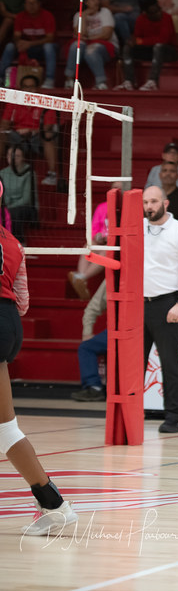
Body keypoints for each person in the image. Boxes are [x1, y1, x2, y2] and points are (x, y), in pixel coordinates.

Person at [0, 180, 81, 535]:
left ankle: (55, 505)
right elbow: (24, 300)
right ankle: (53, 505)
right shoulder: (12, 242)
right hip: (8, 324)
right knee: (5, 430)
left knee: (5, 430)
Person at [142, 185, 178, 434]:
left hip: (168, 303)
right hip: (138, 303)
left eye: (153, 202)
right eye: (145, 202)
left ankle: (174, 417)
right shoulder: (137, 229)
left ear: (165, 203)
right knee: (133, 363)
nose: (149, 207)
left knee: (170, 363)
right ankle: (133, 413)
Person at [0, 74, 58, 186]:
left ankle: (52, 174)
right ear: (21, 89)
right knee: (1, 134)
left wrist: (31, 130)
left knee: (48, 135)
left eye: (31, 87)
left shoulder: (45, 102)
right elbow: (4, 124)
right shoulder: (14, 101)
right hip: (17, 136)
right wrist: (9, 128)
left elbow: (48, 126)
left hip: (37, 136)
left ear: (38, 88)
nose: (29, 90)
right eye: (25, 87)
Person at [116, 0, 178, 91]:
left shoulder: (167, 17)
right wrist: (133, 41)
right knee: (127, 47)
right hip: (150, 51)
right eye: (154, 12)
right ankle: (128, 81)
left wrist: (141, 41)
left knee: (158, 46)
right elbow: (136, 38)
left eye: (158, 10)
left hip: (169, 52)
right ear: (146, 13)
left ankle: (152, 81)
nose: (158, 13)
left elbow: (163, 40)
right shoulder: (141, 19)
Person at [0, 0, 56, 89]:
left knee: (49, 47)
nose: (31, 6)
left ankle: (49, 79)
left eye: (34, 3)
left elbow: (50, 38)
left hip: (41, 48)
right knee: (10, 46)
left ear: (39, 4)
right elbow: (16, 35)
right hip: (25, 48)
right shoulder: (20, 16)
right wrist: (19, 43)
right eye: (28, 3)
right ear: (24, 5)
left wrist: (30, 44)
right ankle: (1, 77)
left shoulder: (47, 16)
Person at [63, 0, 117, 91]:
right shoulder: (78, 15)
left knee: (90, 50)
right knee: (76, 45)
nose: (97, 1)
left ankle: (101, 83)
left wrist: (89, 38)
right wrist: (83, 15)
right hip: (86, 46)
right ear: (86, 2)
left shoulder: (105, 12)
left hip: (106, 46)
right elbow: (80, 34)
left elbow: (106, 35)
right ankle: (69, 80)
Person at [71, 282, 108, 401]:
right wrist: (87, 332)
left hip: (142, 330)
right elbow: (92, 308)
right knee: (86, 346)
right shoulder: (111, 279)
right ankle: (94, 388)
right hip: (116, 331)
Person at [0, 145, 37, 241]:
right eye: (10, 155)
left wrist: (8, 207)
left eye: (17, 156)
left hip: (26, 207)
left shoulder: (29, 171)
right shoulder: (2, 173)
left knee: (14, 213)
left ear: (23, 157)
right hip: (7, 205)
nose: (12, 158)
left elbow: (26, 198)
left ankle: (18, 242)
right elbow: (3, 195)